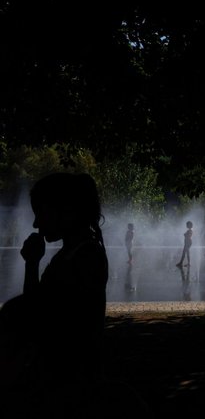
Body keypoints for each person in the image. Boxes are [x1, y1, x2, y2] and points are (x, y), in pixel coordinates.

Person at [0, 172, 109, 414]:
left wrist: (31, 265)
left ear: (67, 211)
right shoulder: (72, 254)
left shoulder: (85, 256)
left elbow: (38, 318)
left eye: (40, 212)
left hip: (70, 383)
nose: (36, 224)